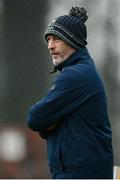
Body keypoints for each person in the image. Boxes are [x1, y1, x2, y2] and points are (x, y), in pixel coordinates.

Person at [27, 5, 113, 179]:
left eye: (56, 39)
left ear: (73, 41)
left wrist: (49, 123)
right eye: (48, 40)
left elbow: (35, 118)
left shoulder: (75, 76)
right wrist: (49, 123)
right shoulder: (81, 71)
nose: (50, 46)